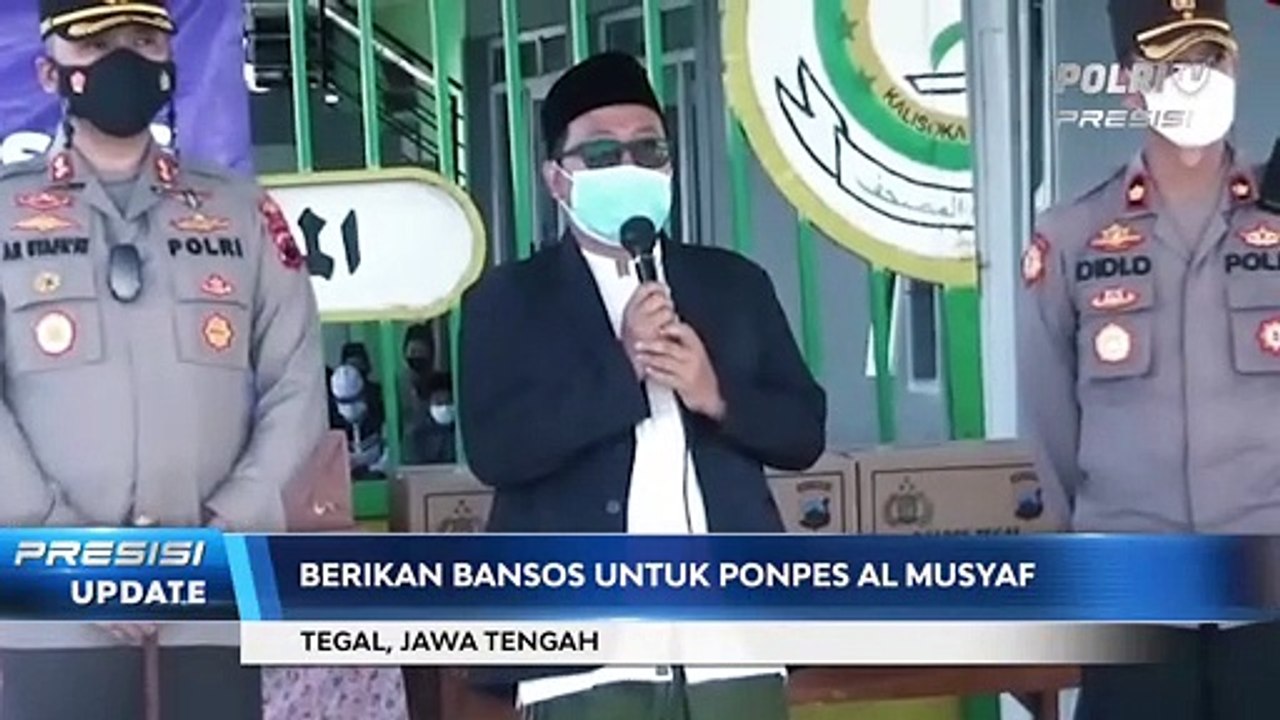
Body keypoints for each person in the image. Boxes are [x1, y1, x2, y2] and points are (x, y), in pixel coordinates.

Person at [459, 51, 827, 720]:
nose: (629, 166)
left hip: (733, 646)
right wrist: (623, 366)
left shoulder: (733, 283)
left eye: (648, 149)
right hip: (583, 655)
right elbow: (497, 450)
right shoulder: (510, 299)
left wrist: (716, 396)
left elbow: (804, 431)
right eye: (602, 153)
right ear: (556, 178)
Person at [0, 1, 327, 718]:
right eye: (99, 46)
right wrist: (68, 557)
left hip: (210, 601)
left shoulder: (240, 211)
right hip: (48, 607)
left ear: (172, 62)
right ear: (49, 72)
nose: (125, 60)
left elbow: (297, 383)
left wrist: (222, 540)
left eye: (145, 41)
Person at [1018, 1, 1280, 718]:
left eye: (1209, 60)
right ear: (1130, 88)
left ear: (1236, 70)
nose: (1192, 83)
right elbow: (1051, 429)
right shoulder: (1072, 236)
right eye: (1167, 67)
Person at [402, 323, 456, 464]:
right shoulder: (399, 387)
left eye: (421, 352)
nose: (417, 357)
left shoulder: (441, 384)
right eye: (413, 352)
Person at [331, 363, 388, 476]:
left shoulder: (380, 412)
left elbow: (390, 453)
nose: (350, 407)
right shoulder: (332, 421)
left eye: (355, 399)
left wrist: (374, 471)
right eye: (343, 402)